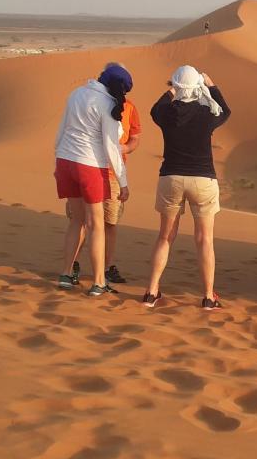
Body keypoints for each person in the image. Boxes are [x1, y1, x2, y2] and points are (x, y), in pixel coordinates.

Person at [144, 65, 230, 309]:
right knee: (205, 239)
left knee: (165, 237)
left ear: (177, 87)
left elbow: (154, 109)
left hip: (171, 178)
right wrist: (211, 85)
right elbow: (226, 110)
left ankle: (151, 292)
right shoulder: (207, 113)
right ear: (197, 88)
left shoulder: (167, 114)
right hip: (203, 180)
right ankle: (208, 297)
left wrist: (172, 89)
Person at [54, 64, 131, 297]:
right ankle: (99, 281)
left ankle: (66, 274)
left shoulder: (76, 93)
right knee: (96, 224)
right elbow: (111, 146)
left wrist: (57, 160)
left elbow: (62, 128)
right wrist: (123, 181)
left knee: (76, 221)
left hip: (65, 161)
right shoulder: (107, 104)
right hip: (89, 166)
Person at [67, 69, 142, 286]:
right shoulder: (91, 101)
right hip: (88, 168)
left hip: (112, 174)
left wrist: (124, 149)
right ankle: (72, 266)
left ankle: (107, 268)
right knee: (80, 221)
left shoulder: (129, 108)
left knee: (110, 222)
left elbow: (135, 138)